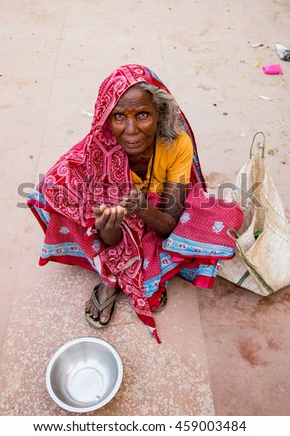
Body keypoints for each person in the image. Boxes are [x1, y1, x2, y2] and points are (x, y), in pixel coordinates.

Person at [28, 64, 243, 343]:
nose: (131, 130)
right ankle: (131, 274)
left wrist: (142, 207)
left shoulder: (176, 145)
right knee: (57, 191)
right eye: (119, 116)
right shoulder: (95, 153)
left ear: (159, 114)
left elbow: (168, 225)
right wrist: (108, 226)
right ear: (106, 119)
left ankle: (130, 273)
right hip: (116, 226)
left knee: (223, 220)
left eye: (142, 115)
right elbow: (105, 229)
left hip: (154, 209)